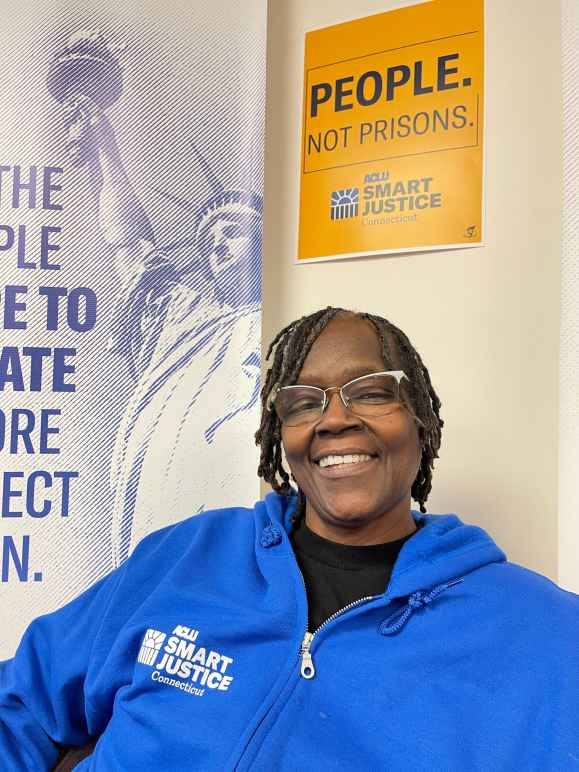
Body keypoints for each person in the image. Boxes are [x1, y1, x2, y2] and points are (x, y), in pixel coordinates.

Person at [1, 307, 578, 771]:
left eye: (371, 392)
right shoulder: (189, 555)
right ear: (282, 436)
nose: (333, 419)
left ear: (419, 419)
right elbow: (21, 701)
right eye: (303, 402)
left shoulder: (545, 634)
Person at [63, 93, 262, 566]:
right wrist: (104, 145)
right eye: (208, 238)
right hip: (163, 505)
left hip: (236, 517)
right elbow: (131, 245)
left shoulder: (292, 331)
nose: (217, 244)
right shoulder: (183, 318)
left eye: (231, 229)